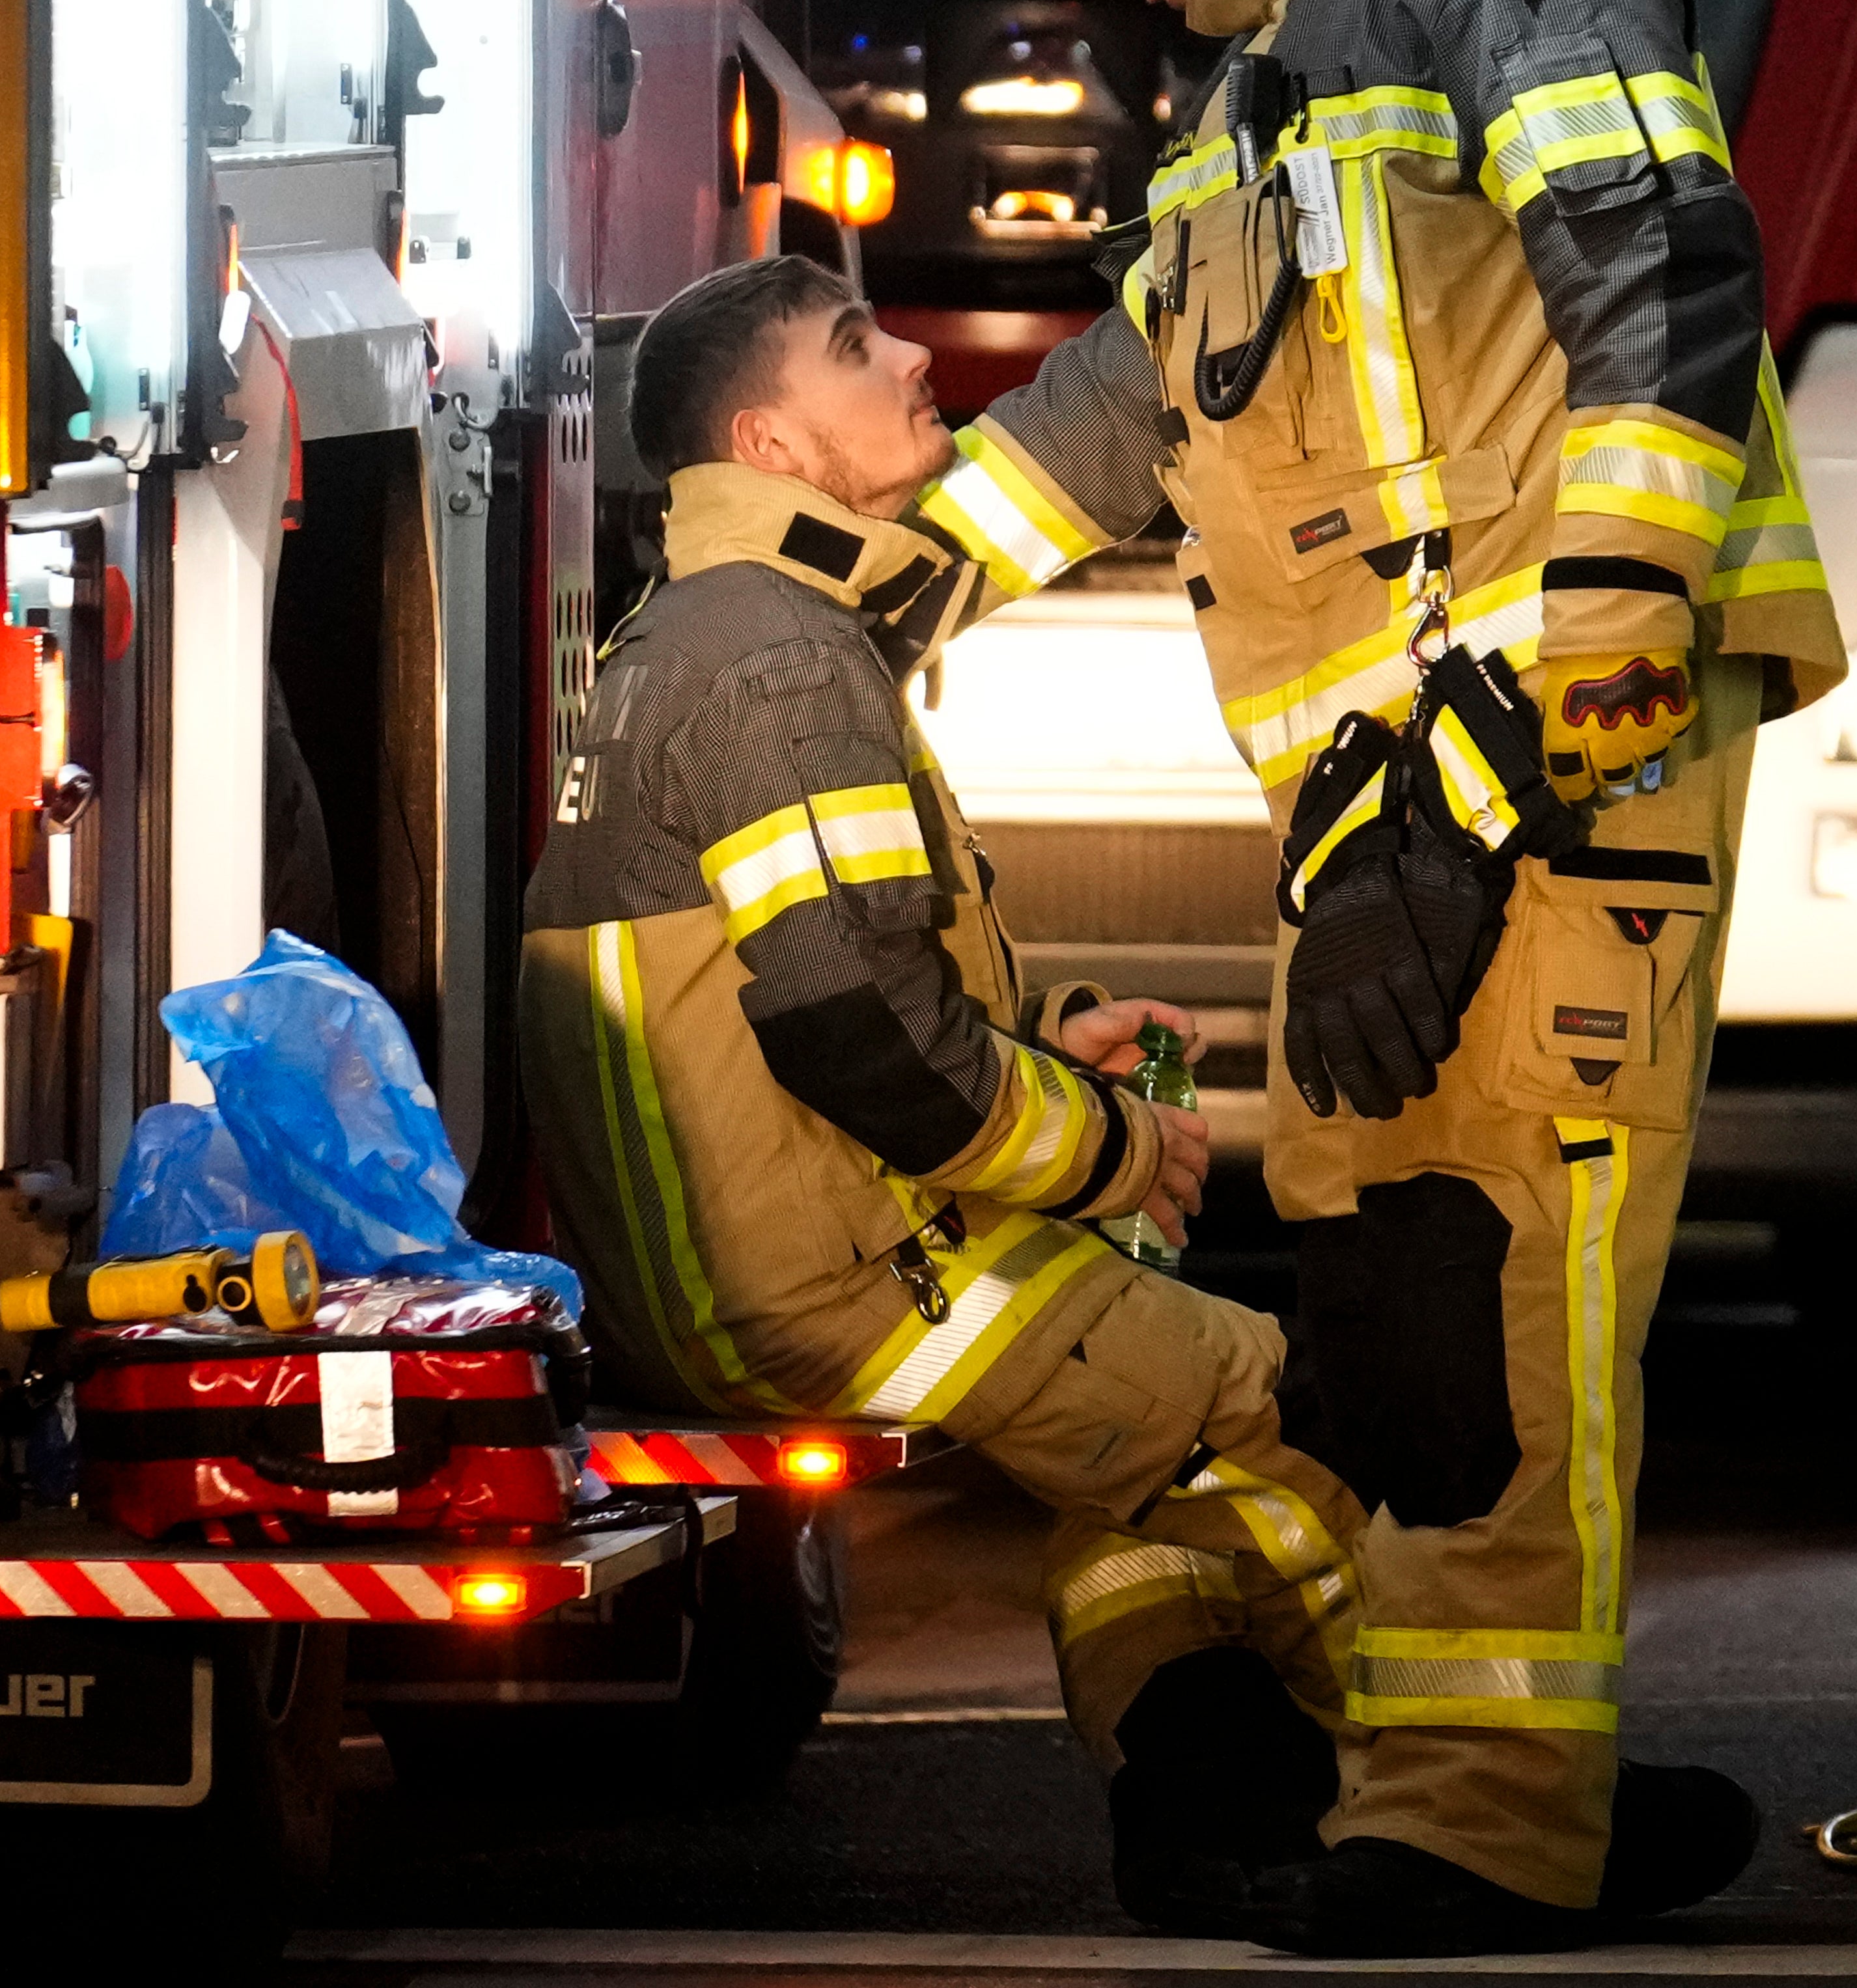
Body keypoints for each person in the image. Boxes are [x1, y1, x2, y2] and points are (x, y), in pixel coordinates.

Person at [895, 0, 1845, 1954]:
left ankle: (1484, 1835)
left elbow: (1659, 267)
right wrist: (881, 581)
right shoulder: (1259, 75)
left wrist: (1585, 667)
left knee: (1502, 1266)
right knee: (1407, 1275)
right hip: (1383, 786)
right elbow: (1151, 388)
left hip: (1548, 741)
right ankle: (1451, 1784)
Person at [515, 256, 1361, 1935]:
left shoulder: (732, 625)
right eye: (855, 347)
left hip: (772, 1259)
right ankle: (1453, 1804)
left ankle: (1209, 1811)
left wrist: (1044, 1038)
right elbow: (855, 1037)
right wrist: (1107, 1146)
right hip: (823, 1285)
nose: (909, 350)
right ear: (771, 438)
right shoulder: (775, 663)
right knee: (1285, 1406)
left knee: (1137, 1468)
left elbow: (818, 981)